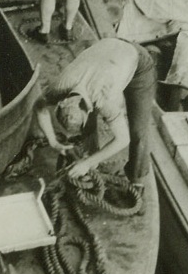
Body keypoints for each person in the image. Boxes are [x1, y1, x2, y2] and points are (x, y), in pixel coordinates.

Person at [35, 36, 158, 181]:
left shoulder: (103, 100)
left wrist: (86, 164)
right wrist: (53, 142)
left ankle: (137, 177)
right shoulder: (60, 86)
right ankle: (91, 157)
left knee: (138, 129)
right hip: (109, 50)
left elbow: (123, 139)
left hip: (138, 63)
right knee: (91, 141)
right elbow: (39, 107)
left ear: (88, 109)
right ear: (62, 102)